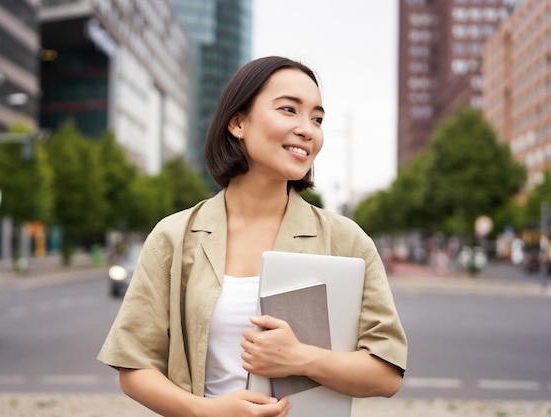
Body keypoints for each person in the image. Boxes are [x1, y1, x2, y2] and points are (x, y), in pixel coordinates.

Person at [97, 56, 407, 417]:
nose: (308, 129)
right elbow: (133, 367)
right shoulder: (174, 236)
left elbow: (386, 374)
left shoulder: (346, 240)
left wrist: (302, 358)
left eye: (317, 118)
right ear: (237, 122)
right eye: (289, 109)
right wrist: (206, 412)